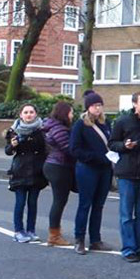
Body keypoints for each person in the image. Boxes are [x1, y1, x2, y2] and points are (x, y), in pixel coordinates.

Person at [109, 92, 140, 262]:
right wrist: (124, 145)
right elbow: (112, 143)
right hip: (127, 174)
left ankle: (138, 248)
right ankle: (128, 249)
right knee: (127, 214)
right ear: (135, 104)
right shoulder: (123, 121)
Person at [69, 91, 113, 255]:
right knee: (85, 204)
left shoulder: (106, 123)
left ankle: (95, 239)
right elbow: (74, 149)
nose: (98, 108)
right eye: (95, 106)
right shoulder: (81, 125)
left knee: (99, 205)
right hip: (87, 169)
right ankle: (79, 239)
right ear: (88, 107)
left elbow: (110, 143)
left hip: (105, 168)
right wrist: (94, 157)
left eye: (100, 105)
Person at [5, 103, 48, 243]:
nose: (29, 114)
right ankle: (18, 231)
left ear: (36, 114)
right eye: (26, 112)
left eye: (31, 112)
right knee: (20, 202)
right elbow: (7, 151)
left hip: (36, 170)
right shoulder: (14, 131)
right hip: (20, 170)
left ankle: (31, 230)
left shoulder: (42, 130)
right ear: (21, 115)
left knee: (33, 203)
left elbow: (46, 149)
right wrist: (12, 145)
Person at [43, 101, 76, 246]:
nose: (72, 115)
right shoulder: (60, 130)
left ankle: (55, 233)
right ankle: (54, 235)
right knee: (59, 201)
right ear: (64, 113)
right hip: (59, 166)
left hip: (54, 165)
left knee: (59, 201)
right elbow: (69, 150)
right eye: (71, 112)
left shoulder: (52, 126)